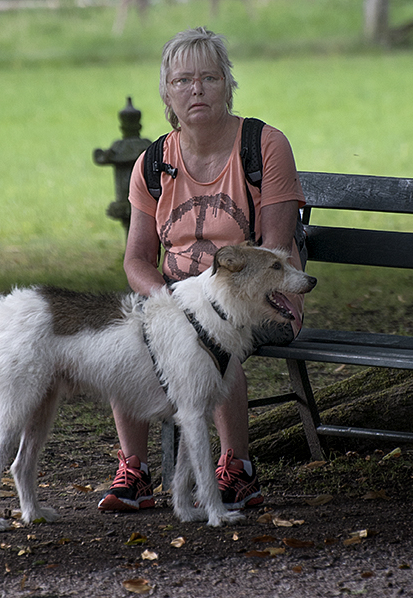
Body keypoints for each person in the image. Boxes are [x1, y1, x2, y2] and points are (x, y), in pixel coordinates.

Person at [98, 26, 305, 513]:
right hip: (175, 298)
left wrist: (204, 305)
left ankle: (236, 469)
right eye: (184, 80)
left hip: (257, 296)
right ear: (167, 93)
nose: (197, 89)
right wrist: (163, 299)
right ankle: (135, 470)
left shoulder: (264, 145)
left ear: (227, 85)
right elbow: (135, 259)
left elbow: (276, 246)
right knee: (127, 337)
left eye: (209, 78)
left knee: (212, 335)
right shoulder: (152, 163)